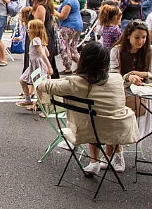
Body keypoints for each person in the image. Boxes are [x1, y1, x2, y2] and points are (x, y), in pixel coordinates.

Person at [37, 40, 140, 174]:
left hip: (88, 131)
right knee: (106, 113)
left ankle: (94, 162)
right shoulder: (116, 79)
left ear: (84, 60)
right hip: (119, 130)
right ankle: (115, 155)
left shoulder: (76, 82)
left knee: (93, 117)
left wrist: (61, 80)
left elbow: (44, 85)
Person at [109, 19, 152, 138]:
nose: (141, 41)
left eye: (144, 37)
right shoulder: (117, 51)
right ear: (128, 36)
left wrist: (146, 74)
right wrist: (128, 77)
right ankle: (118, 146)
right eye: (137, 37)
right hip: (121, 93)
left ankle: (124, 140)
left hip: (145, 96)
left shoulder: (151, 51)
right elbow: (113, 77)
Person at [18, 18, 50, 110]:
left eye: (30, 28)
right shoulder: (40, 40)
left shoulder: (36, 40)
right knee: (24, 80)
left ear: (36, 30)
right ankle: (32, 100)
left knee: (37, 85)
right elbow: (47, 53)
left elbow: (42, 54)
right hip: (35, 64)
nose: (28, 30)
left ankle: (40, 103)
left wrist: (49, 66)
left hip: (37, 64)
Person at [30, 0, 60, 79]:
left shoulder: (40, 7)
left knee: (41, 64)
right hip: (44, 37)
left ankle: (34, 90)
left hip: (40, 38)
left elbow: (38, 27)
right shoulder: (43, 6)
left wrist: (41, 43)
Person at [54, 0, 83, 74]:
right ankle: (83, 65)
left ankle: (68, 67)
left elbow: (63, 16)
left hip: (68, 26)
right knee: (73, 48)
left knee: (65, 48)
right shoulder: (74, 0)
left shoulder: (68, 2)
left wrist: (52, 11)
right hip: (77, 26)